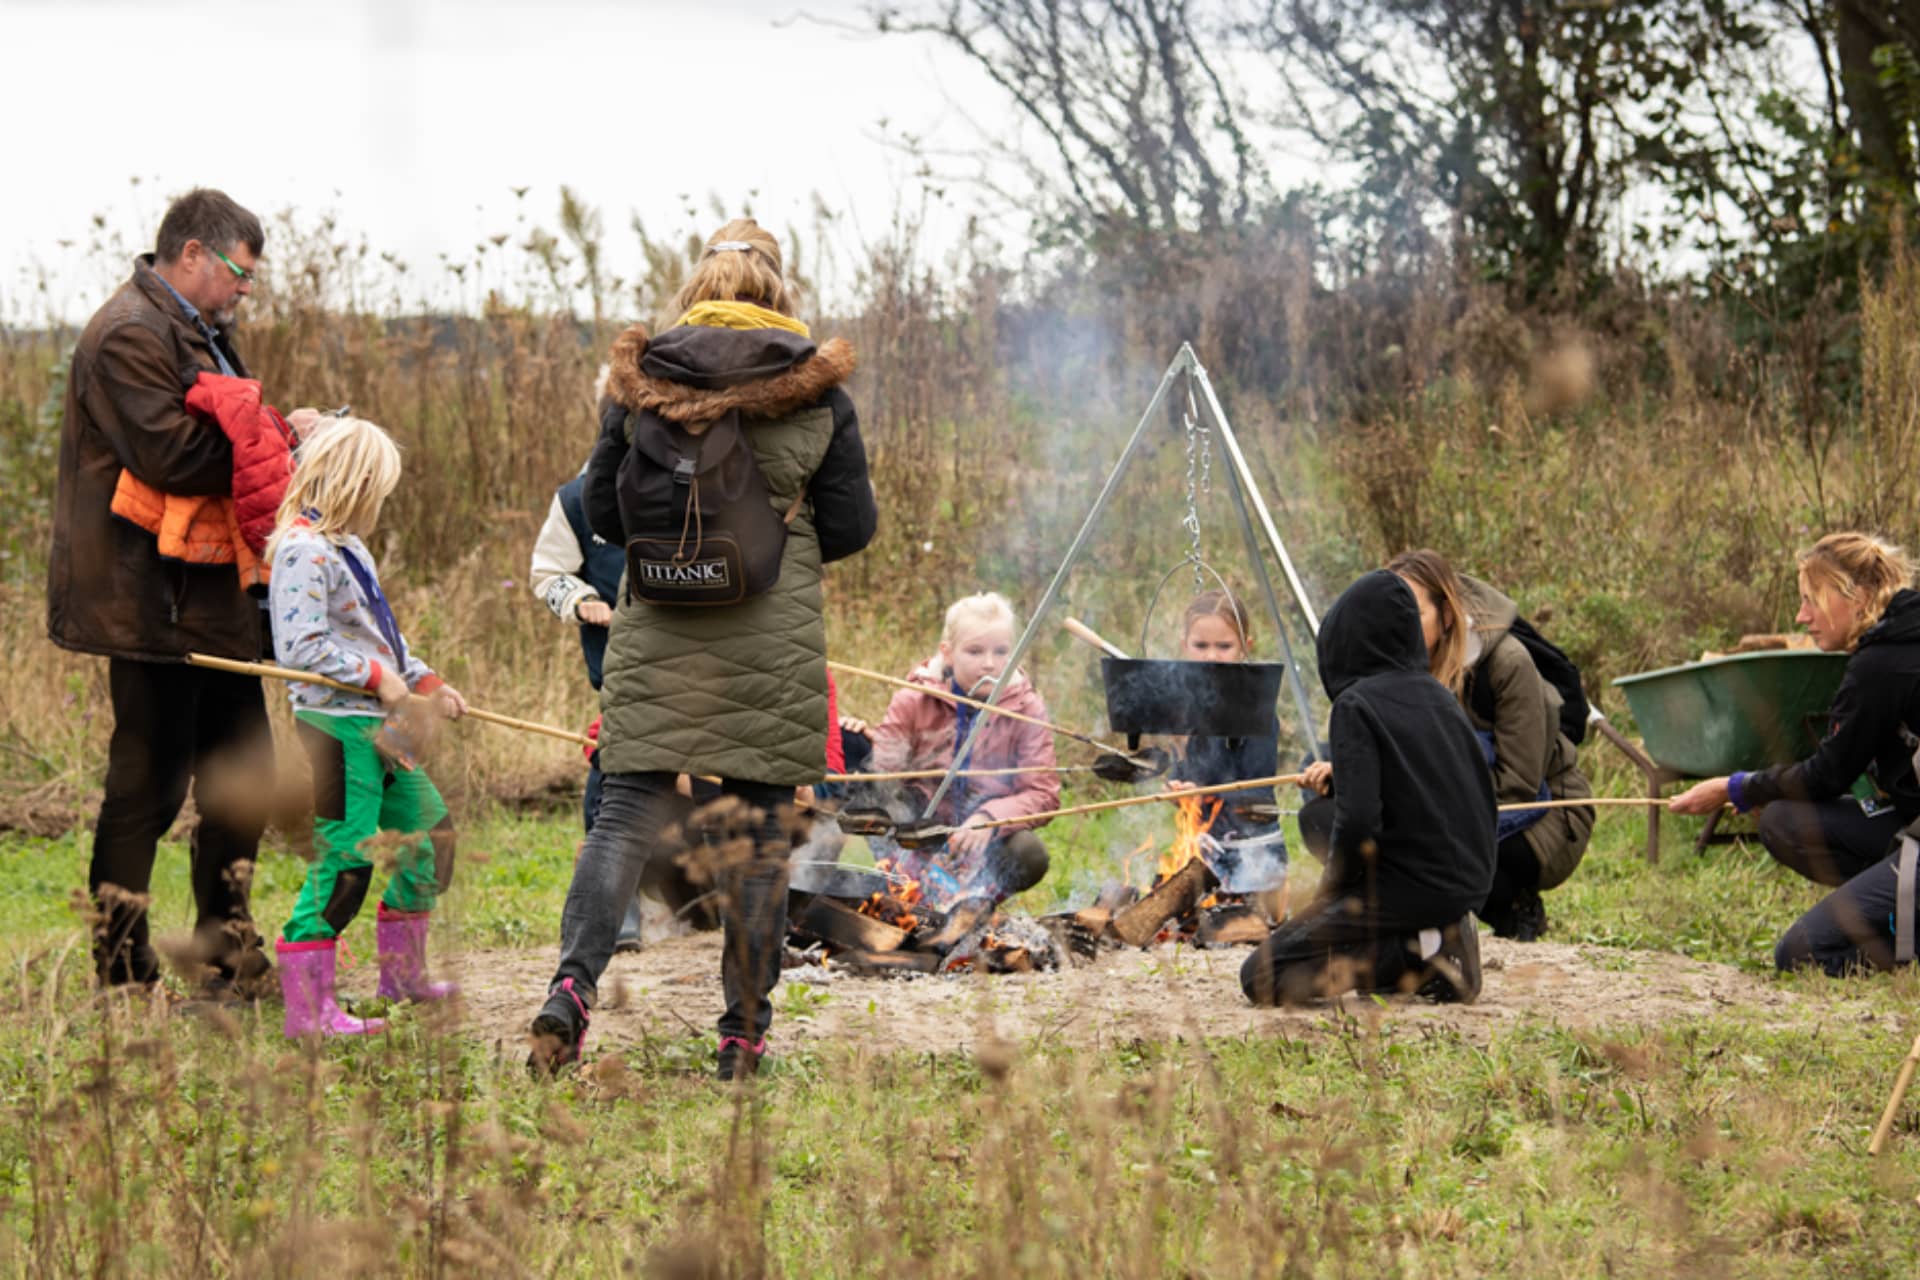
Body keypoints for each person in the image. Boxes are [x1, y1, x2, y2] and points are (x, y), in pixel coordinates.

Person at [528, 219, 877, 1082]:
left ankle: (570, 993)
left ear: (696, 290)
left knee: (622, 817)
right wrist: (770, 540)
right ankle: (741, 1039)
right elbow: (853, 527)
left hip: (659, 629)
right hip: (771, 630)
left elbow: (606, 515)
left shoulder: (638, 383)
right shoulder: (819, 393)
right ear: (779, 293)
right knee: (758, 834)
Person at [48, 187, 305, 994]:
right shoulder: (129, 333)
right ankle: (121, 970)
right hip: (147, 601)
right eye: (238, 271)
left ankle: (224, 954)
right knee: (146, 789)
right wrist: (277, 443)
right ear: (190, 253)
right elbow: (172, 456)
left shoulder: (196, 330)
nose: (244, 289)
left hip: (207, 595)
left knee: (243, 777)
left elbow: (226, 433)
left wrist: (279, 436)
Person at [266, 417, 466, 1037]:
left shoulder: (348, 547)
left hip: (384, 729)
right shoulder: (302, 551)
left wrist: (423, 680)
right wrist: (374, 677)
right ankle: (309, 1011)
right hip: (338, 727)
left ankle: (402, 977)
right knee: (346, 862)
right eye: (380, 489)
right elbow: (300, 647)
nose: (383, 502)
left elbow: (380, 635)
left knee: (431, 838)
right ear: (355, 483)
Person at [1666, 534, 1920, 975]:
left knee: (1802, 953)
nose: (1802, 617)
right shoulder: (1897, 640)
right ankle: (1895, 909)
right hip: (1910, 821)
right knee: (1784, 820)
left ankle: (1907, 944)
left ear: (1857, 597)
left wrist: (1735, 787)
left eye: (1811, 601)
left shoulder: (1881, 665)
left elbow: (1825, 776)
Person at [1242, 571, 1493, 1006]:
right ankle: (1438, 936)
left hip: (1413, 884)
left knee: (1263, 974)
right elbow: (1429, 784)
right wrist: (1342, 780)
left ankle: (1425, 956)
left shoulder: (1356, 705)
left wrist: (1332, 892)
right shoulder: (1439, 697)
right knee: (1319, 823)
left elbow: (1359, 821)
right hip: (1468, 881)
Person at [1386, 550, 1592, 939]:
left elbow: (1519, 783)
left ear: (1446, 614)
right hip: (1463, 803)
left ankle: (1516, 907)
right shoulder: (1401, 666)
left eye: (1413, 613)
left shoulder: (1507, 664)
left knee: (1434, 851)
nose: (1400, 625)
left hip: (1546, 811)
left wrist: (1430, 819)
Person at [865, 592, 1059, 906]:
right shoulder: (914, 697)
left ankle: (972, 905)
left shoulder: (1026, 708)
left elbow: (1042, 793)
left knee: (1029, 853)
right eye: (974, 651)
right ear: (948, 653)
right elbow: (881, 775)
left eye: (1001, 652)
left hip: (983, 840)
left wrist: (989, 818)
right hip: (920, 828)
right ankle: (903, 886)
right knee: (878, 801)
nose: (989, 663)